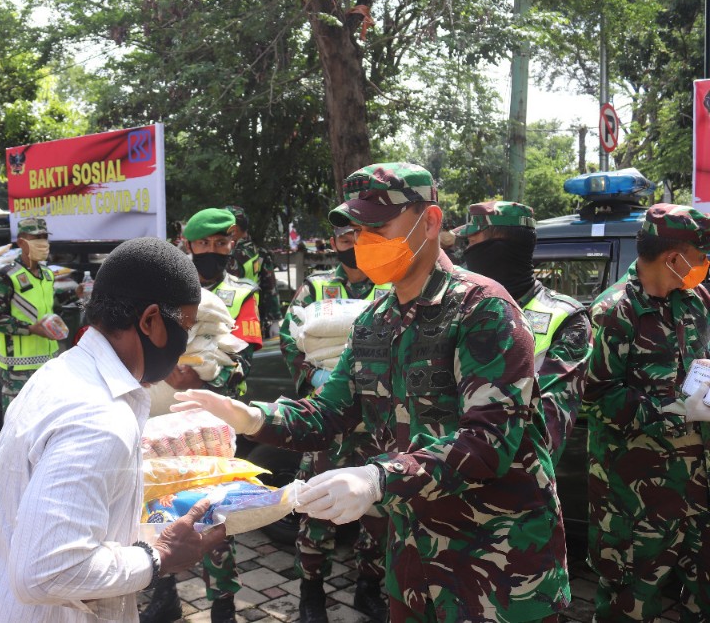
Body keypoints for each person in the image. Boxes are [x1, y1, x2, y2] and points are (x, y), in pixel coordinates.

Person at [174, 163, 570, 623]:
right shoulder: (374, 318)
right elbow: (329, 412)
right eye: (358, 229)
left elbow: (489, 443)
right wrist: (252, 418)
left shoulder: (483, 309)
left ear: (431, 222)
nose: (365, 241)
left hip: (498, 563)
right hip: (414, 561)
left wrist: (378, 478)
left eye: (378, 227)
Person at [0, 237, 227, 622]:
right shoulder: (101, 419)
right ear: (149, 321)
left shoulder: (62, 372)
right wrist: (159, 556)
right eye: (185, 327)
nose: (185, 343)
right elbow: (47, 571)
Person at [583, 203, 710, 621]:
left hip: (699, 487)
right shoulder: (613, 312)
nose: (704, 264)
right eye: (699, 255)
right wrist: (677, 413)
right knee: (630, 603)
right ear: (674, 258)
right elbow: (597, 397)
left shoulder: (696, 301)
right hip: (635, 497)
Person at [142, 208, 262, 623]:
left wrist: (204, 379)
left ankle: (223, 603)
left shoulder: (242, 293)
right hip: (160, 420)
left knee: (213, 509)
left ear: (232, 246)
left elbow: (246, 352)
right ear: (188, 245)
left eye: (222, 244)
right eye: (205, 244)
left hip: (213, 420)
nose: (213, 251)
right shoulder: (162, 289)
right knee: (157, 501)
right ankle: (163, 591)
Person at [279, 224, 391, 623]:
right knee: (316, 507)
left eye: (361, 239)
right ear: (335, 244)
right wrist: (313, 377)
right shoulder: (316, 287)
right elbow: (289, 337)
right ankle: (312, 594)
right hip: (327, 417)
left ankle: (368, 587)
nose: (354, 247)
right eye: (346, 241)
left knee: (379, 515)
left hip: (378, 420)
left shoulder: (389, 281)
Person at [457, 200, 592, 466]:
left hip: (516, 491)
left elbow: (547, 430)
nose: (466, 255)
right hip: (443, 481)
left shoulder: (566, 318)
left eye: (472, 242)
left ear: (498, 249)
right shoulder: (459, 311)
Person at [0, 216, 62, 410]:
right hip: (18, 370)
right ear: (21, 242)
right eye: (37, 238)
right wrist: (30, 329)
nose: (43, 243)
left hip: (48, 364)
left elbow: (54, 309)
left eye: (45, 237)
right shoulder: (7, 276)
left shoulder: (47, 275)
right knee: (18, 425)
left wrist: (78, 297)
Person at [225, 205, 282, 337]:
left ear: (234, 229)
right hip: (252, 321)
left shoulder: (228, 254)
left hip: (228, 320)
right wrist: (275, 319)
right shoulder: (259, 253)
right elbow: (270, 289)